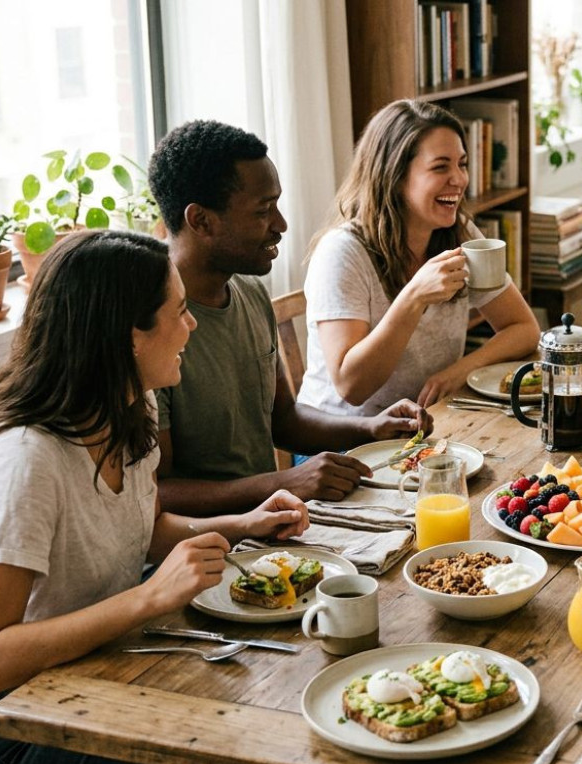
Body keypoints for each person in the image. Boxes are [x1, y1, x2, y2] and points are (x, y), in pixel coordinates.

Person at [0, 230, 310, 764]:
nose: (193, 325)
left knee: (279, 715)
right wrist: (150, 597)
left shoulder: (132, 402)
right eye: (179, 312)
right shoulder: (22, 462)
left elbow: (143, 531)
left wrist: (244, 524)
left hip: (96, 664)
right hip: (2, 724)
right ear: (129, 335)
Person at [148, 120, 433, 516]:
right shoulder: (147, 326)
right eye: (264, 211)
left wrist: (369, 428)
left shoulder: (248, 291)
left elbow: (283, 420)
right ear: (201, 221)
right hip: (200, 548)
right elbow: (157, 493)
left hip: (269, 526)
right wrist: (283, 482)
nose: (281, 225)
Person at [297, 99, 540, 415]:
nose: (460, 179)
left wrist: (460, 371)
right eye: (441, 166)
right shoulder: (342, 253)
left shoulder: (460, 234)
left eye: (462, 164)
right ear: (394, 176)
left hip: (426, 424)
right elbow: (350, 387)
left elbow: (523, 328)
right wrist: (413, 297)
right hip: (342, 443)